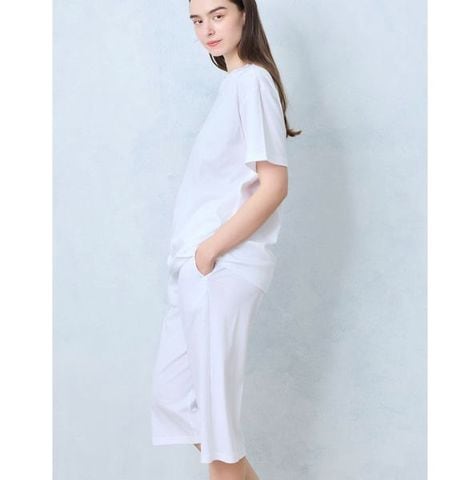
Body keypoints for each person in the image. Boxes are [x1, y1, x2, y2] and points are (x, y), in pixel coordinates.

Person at [151, 1, 301, 478]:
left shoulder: (252, 82)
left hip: (221, 266)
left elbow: (274, 185)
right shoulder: (234, 85)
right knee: (176, 401)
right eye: (197, 20)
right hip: (197, 267)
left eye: (217, 15)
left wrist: (211, 249)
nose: (207, 29)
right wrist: (196, 256)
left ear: (244, 15)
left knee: (216, 433)